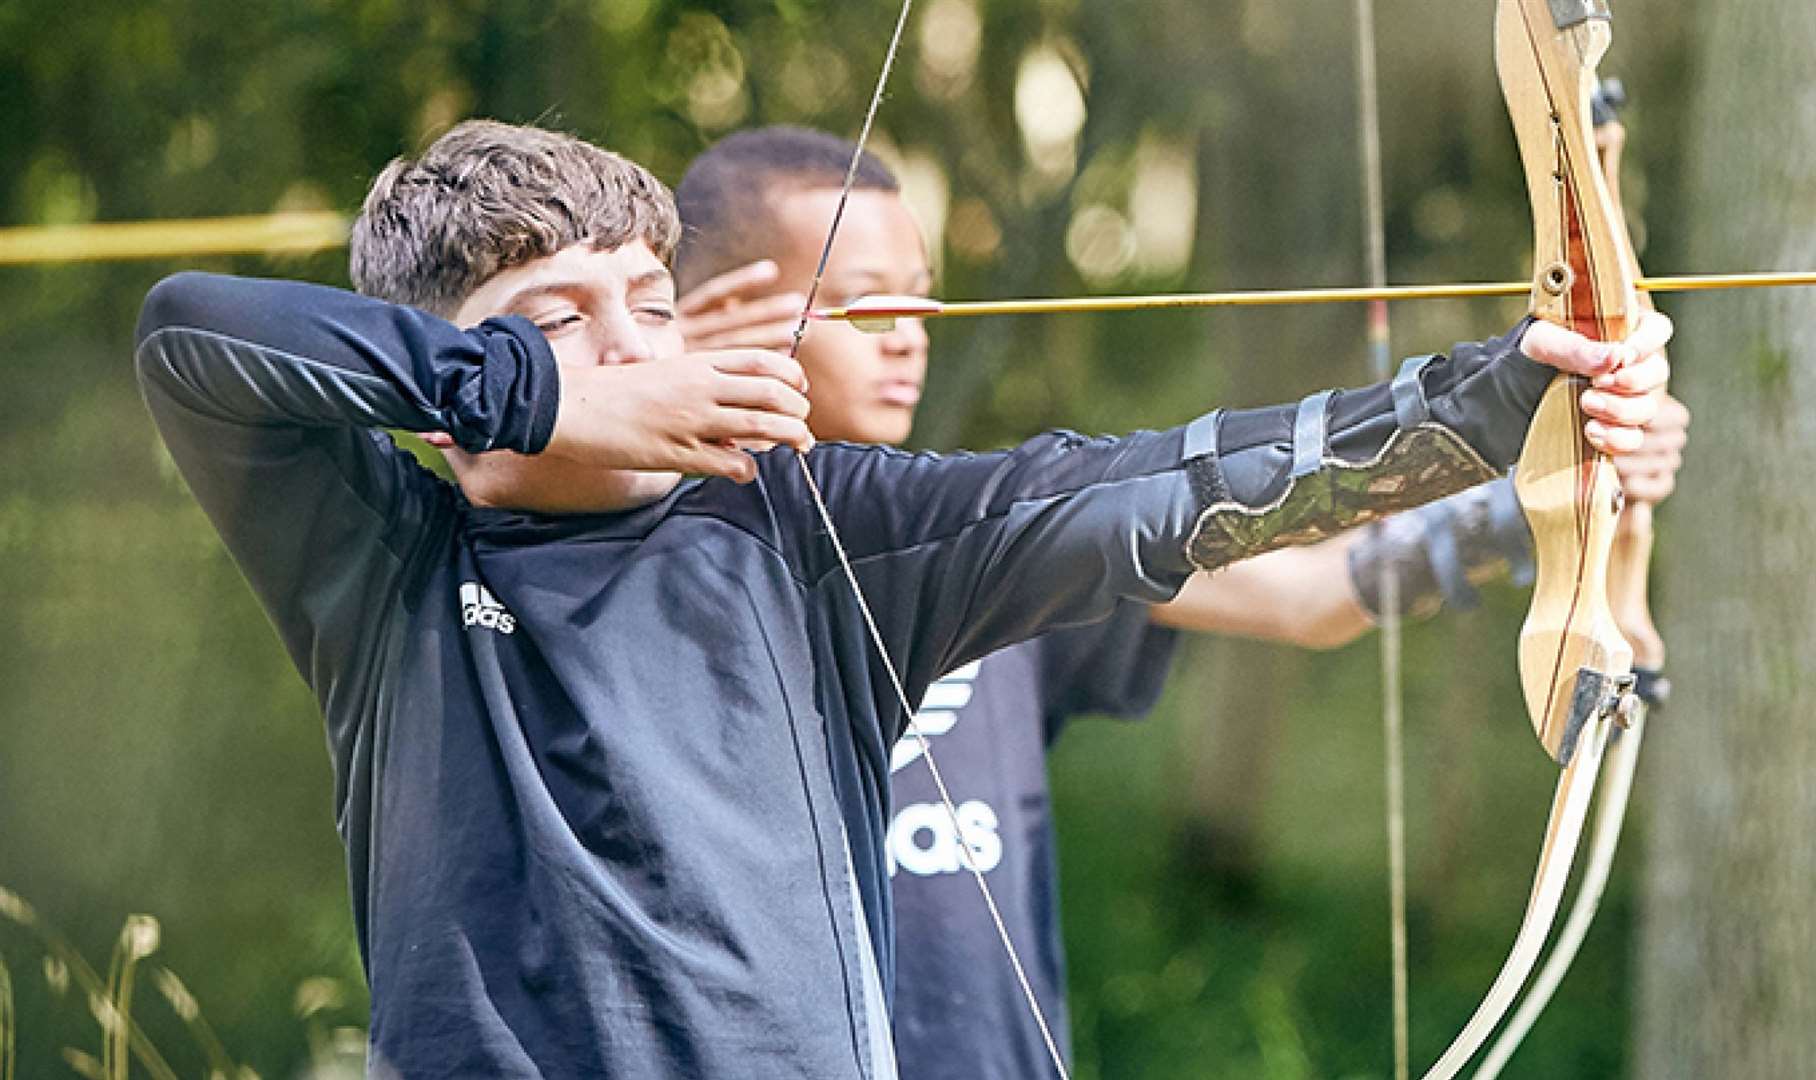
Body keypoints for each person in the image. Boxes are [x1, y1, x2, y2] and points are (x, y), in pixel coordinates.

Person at [134, 118, 1671, 1079]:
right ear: (445, 394)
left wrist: (1497, 406)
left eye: (648, 310)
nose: (624, 346)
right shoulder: (386, 567)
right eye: (553, 319)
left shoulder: (810, 531)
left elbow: (1145, 488)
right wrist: (532, 396)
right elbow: (190, 334)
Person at [672, 125, 1687, 1079]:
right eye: (866, 302)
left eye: (925, 296)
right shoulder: (650, 567)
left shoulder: (984, 544)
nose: (912, 335)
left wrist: (1542, 493)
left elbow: (1308, 596)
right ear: (724, 313)